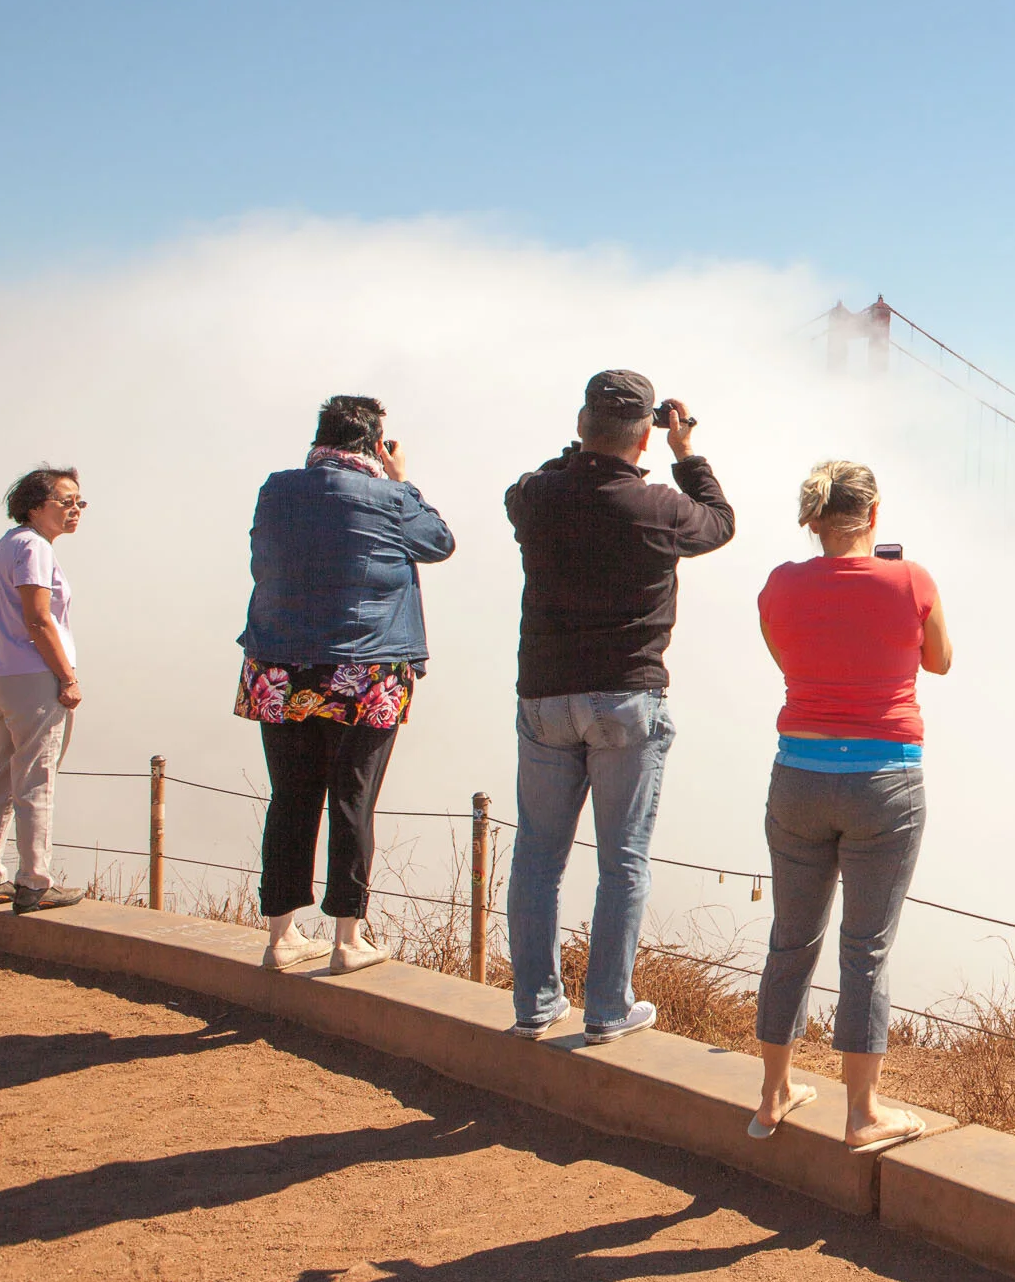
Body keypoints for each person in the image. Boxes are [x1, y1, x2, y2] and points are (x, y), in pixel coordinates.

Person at [504, 370, 734, 1045]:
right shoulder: (658, 506)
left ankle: (535, 1003)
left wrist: (581, 456)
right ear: (645, 434)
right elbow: (720, 523)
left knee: (537, 856)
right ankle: (607, 1007)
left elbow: (523, 487)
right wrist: (685, 450)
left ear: (581, 426)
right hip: (627, 698)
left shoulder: (539, 497)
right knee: (623, 858)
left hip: (544, 695)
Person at [747, 460, 951, 1152]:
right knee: (864, 948)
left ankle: (772, 1095)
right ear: (874, 514)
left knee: (789, 936)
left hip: (798, 775)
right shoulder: (912, 579)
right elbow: (941, 660)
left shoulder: (780, 584)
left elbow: (784, 656)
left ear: (814, 519)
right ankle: (861, 1113)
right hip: (884, 781)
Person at [238, 396, 456, 974]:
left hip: (278, 665)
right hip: (365, 670)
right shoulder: (389, 496)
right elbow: (439, 542)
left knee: (291, 797)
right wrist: (402, 481)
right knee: (353, 798)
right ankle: (346, 940)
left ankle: (279, 937)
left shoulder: (276, 488)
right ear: (376, 444)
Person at [0, 467, 89, 914]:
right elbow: (39, 620)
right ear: (35, 506)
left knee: (2, 777)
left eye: (80, 501)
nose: (75, 509)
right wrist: (68, 677)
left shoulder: (8, 545)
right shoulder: (34, 547)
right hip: (33, 678)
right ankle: (35, 881)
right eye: (65, 500)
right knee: (36, 782)